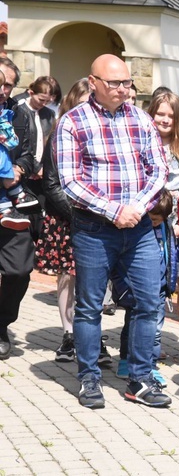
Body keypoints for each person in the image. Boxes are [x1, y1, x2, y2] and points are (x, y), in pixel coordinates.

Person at [56, 54, 169, 409]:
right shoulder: (73, 122)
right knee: (89, 307)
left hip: (137, 227)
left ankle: (139, 377)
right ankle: (89, 378)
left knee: (149, 302)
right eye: (115, 83)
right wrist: (114, 209)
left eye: (127, 83)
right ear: (94, 83)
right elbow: (70, 181)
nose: (123, 89)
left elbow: (159, 170)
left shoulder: (141, 118)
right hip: (93, 228)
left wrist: (135, 207)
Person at [36, 79, 91, 362]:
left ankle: (90, 334)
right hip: (67, 216)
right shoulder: (59, 134)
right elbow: (51, 184)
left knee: (92, 280)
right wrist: (77, 213)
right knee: (68, 277)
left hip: (96, 217)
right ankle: (69, 334)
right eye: (81, 103)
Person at [146, 91, 179, 362]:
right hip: (148, 223)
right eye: (160, 113)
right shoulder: (140, 143)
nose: (165, 120)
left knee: (173, 286)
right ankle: (147, 346)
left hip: (177, 228)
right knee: (151, 288)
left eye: (171, 115)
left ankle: (175, 340)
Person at [113, 190, 175, 387]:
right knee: (131, 324)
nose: (154, 222)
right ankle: (126, 360)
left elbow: (169, 254)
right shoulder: (135, 231)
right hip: (135, 286)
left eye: (159, 220)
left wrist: (169, 282)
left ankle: (150, 365)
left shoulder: (165, 228)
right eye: (152, 218)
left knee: (155, 330)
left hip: (160, 286)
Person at [0, 57, 36, 360]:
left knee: (19, 269)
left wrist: (16, 172)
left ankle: (3, 323)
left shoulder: (18, 115)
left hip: (10, 205)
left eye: (8, 85)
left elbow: (28, 156)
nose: (3, 89)